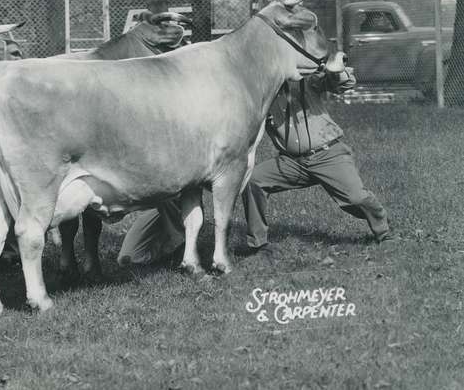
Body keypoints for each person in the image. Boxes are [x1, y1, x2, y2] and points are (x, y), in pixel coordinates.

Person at [117, 59, 391, 266]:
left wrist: (335, 68)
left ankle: (382, 231)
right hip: (291, 162)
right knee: (253, 182)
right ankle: (259, 244)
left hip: (328, 153)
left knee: (355, 198)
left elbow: (341, 83)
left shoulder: (307, 81)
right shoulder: (261, 96)